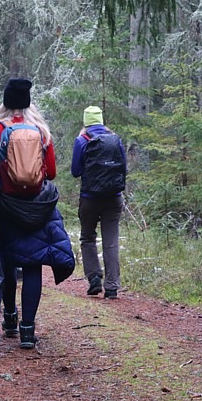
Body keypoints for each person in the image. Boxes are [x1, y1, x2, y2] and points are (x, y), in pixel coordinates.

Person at [0, 77, 72, 349]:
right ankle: (28, 330)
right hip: (36, 208)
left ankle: (9, 318)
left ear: (4, 102)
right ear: (28, 103)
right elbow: (50, 172)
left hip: (5, 207)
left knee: (7, 263)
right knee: (33, 264)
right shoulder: (41, 131)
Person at [71, 106, 127, 299]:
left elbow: (75, 171)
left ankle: (94, 277)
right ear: (102, 121)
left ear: (86, 122)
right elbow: (124, 168)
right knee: (110, 240)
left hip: (90, 198)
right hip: (114, 197)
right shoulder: (115, 140)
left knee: (87, 237)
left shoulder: (82, 140)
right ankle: (111, 287)